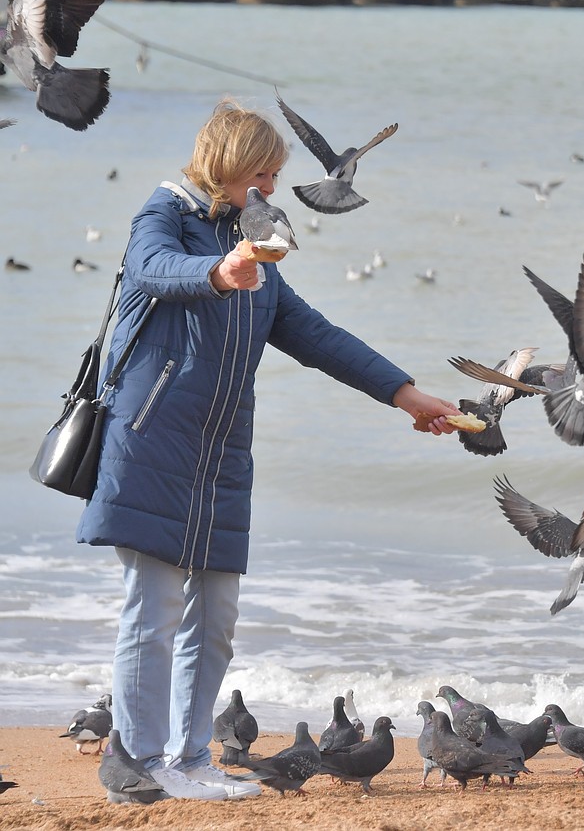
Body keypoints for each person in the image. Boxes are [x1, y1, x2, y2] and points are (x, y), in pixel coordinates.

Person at [75, 98, 461, 801]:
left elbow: (315, 334)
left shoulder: (256, 240)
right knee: (154, 610)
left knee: (214, 621)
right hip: (151, 440)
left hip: (222, 456)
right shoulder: (163, 215)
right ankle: (140, 760)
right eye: (265, 173)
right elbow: (152, 269)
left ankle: (193, 760)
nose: (275, 189)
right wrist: (218, 274)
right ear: (228, 166)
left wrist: (405, 394)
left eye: (277, 177)